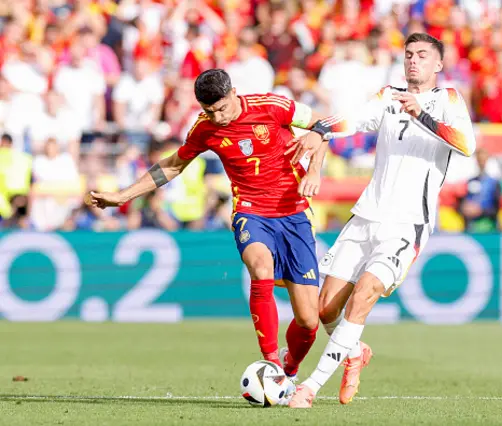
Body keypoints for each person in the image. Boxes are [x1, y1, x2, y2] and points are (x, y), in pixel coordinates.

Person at [86, 69, 330, 381]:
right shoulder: (205, 128)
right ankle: (270, 365)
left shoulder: (272, 105)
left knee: (309, 321)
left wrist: (314, 171)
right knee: (260, 268)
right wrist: (124, 195)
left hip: (294, 213)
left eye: (221, 109)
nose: (216, 118)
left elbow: (324, 125)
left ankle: (288, 367)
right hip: (250, 211)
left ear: (233, 93)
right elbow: (173, 165)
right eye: (209, 111)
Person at [285, 33, 477, 408]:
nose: (413, 61)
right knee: (325, 309)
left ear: (438, 64)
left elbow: (466, 145)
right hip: (367, 214)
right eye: (408, 55)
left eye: (422, 55)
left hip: (407, 223)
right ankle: (353, 352)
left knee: (365, 294)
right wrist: (320, 129)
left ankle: (309, 388)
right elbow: (353, 119)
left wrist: (419, 113)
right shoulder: (388, 95)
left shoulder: (449, 100)